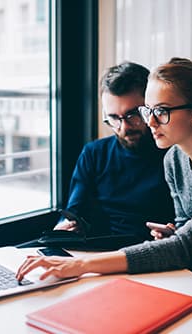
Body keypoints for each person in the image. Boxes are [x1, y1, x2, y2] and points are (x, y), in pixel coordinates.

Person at [17, 58, 192, 333]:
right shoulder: (173, 160)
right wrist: (174, 234)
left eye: (162, 111)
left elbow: (185, 248)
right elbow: (185, 233)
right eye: (149, 111)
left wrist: (81, 265)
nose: (151, 122)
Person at [54, 62, 174, 241]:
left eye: (133, 115)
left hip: (154, 254)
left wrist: (174, 234)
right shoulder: (94, 154)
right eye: (113, 118)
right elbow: (74, 212)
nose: (124, 127)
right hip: (98, 254)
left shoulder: (176, 157)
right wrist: (64, 227)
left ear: (151, 107)